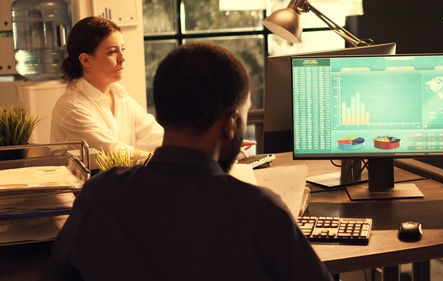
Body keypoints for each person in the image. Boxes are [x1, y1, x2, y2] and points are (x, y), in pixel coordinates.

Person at [52, 42, 333, 281]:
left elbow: (62, 270)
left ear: (160, 116)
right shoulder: (261, 212)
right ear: (231, 123)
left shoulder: (99, 195)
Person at [51, 17, 255, 158]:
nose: (123, 58)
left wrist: (213, 141)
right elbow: (116, 153)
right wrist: (191, 157)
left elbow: (155, 135)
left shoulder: (118, 94)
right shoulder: (72, 107)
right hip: (90, 204)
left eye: (122, 49)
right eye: (112, 52)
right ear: (86, 60)